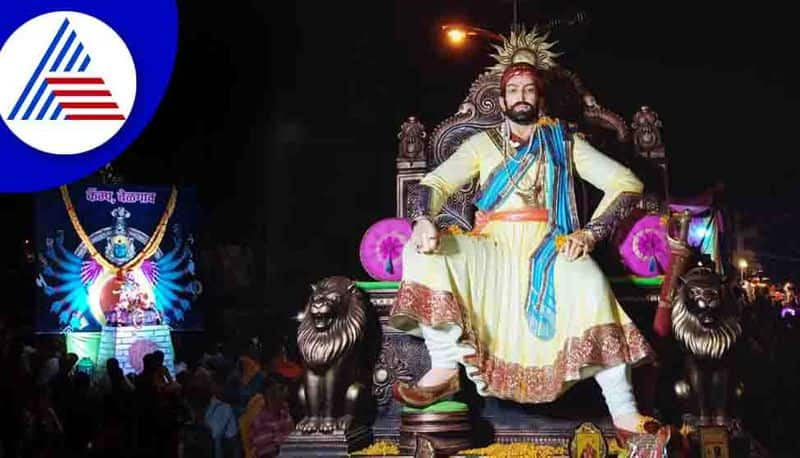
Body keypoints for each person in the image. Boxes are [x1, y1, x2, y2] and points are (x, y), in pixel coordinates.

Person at [390, 31, 658, 436]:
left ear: (540, 98)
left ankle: (624, 414)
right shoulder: (482, 144)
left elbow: (626, 182)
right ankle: (444, 367)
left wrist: (590, 233)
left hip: (549, 246)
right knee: (421, 250)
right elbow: (433, 185)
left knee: (590, 283)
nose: (520, 96)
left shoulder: (564, 143)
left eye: (528, 89)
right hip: (492, 249)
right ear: (501, 100)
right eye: (512, 89)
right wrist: (423, 220)